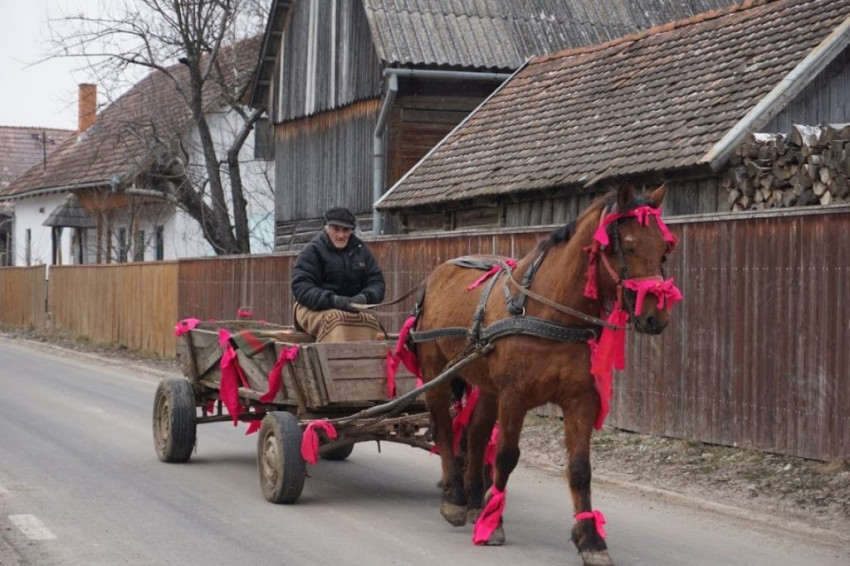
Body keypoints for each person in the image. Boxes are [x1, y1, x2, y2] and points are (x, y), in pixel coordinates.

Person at [291, 207, 386, 342]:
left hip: (352, 309)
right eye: (336, 229)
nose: (341, 235)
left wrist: (364, 298)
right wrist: (333, 300)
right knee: (336, 321)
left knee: (369, 321)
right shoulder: (312, 251)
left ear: (351, 231)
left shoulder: (361, 251)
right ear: (327, 228)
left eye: (346, 230)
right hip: (313, 308)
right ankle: (330, 361)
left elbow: (377, 282)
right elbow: (301, 287)